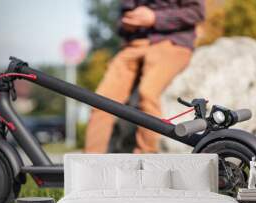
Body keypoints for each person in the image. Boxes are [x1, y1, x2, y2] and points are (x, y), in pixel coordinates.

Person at [84, 0, 205, 154]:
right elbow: (121, 22)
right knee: (101, 101)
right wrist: (127, 23)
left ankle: (145, 157)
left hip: (173, 43)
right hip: (134, 45)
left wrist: (155, 18)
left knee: (147, 93)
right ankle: (87, 163)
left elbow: (196, 12)